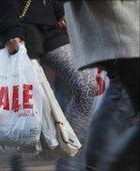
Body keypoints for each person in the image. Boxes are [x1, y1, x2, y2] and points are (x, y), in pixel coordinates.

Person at [0, 0, 98, 170]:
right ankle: (17, 163)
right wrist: (9, 27)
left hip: (49, 20)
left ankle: (68, 163)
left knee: (86, 86)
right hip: (20, 20)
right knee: (25, 102)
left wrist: (59, 8)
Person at [63, 0, 139, 170]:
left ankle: (96, 165)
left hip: (115, 20)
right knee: (119, 88)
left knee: (119, 90)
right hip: (116, 19)